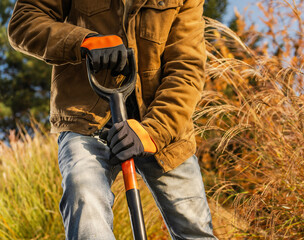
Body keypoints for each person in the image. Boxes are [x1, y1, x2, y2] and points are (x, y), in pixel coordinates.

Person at [8, 0, 217, 239]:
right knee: (84, 195)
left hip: (161, 124)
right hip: (86, 118)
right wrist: (83, 40)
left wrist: (153, 132)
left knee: (195, 230)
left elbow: (186, 68)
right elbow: (24, 22)